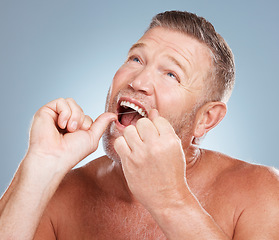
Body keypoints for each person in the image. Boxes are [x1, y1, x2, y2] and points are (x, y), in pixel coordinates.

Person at [1, 10, 279, 240]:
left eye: (171, 74)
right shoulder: (58, 195)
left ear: (206, 119)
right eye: (136, 59)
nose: (138, 82)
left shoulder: (261, 193)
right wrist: (39, 167)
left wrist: (170, 201)